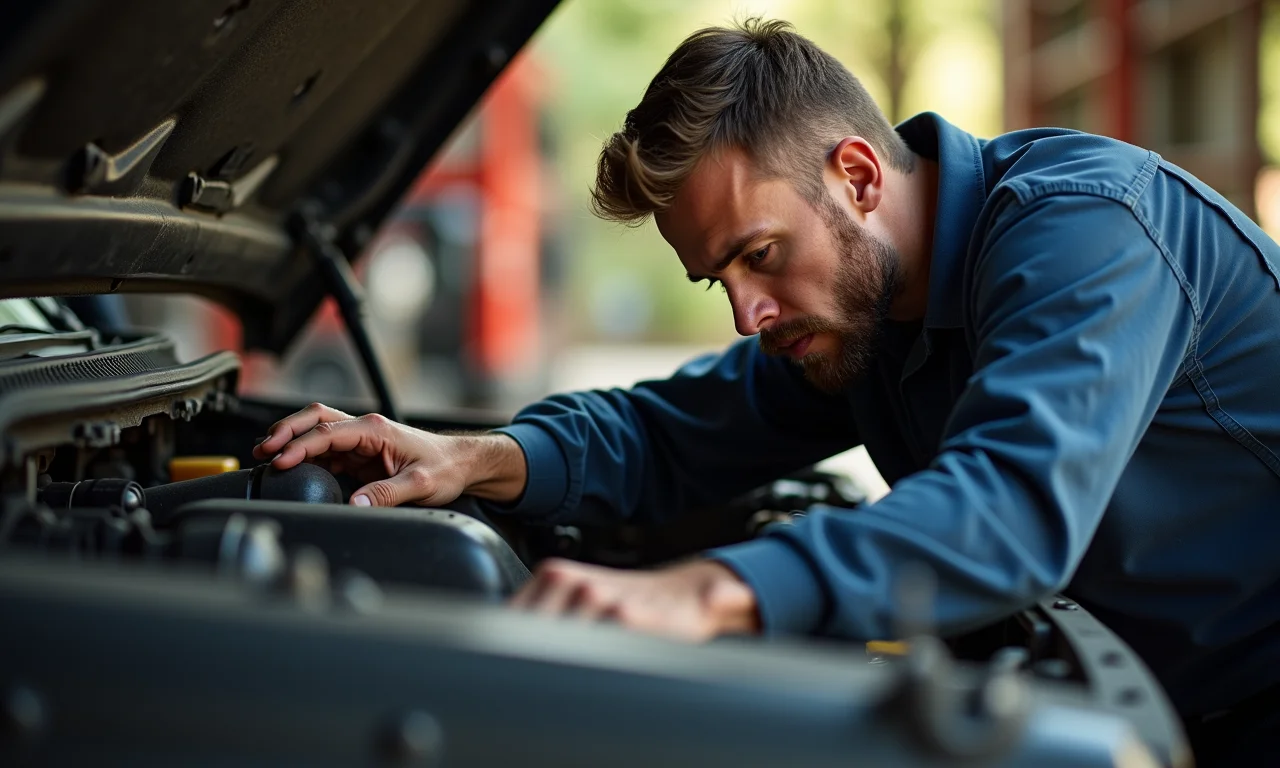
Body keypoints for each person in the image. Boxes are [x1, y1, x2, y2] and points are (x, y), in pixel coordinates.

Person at [254, 19, 1280, 765]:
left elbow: (1005, 510)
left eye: (757, 255)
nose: (745, 314)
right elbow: (671, 433)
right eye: (718, 279)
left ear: (857, 176)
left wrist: (706, 589)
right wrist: (474, 455)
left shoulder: (1090, 232)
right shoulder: (865, 311)